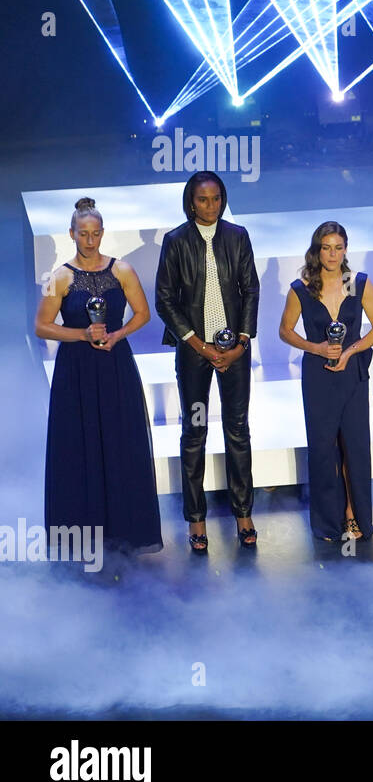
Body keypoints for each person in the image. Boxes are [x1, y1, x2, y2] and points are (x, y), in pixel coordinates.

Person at [37, 198, 162, 553]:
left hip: (114, 364)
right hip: (75, 371)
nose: (90, 241)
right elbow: (41, 326)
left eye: (95, 234)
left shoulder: (122, 270)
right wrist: (82, 335)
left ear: (102, 233)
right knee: (78, 444)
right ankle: (81, 532)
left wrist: (116, 335)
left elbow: (142, 314)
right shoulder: (58, 278)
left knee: (120, 439)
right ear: (72, 234)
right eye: (83, 235)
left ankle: (124, 529)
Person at [155, 172, 260, 552]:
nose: (210, 205)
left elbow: (251, 289)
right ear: (190, 202)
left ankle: (243, 513)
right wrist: (198, 345)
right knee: (195, 432)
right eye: (202, 199)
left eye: (216, 198)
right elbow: (164, 299)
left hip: (234, 351)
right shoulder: (176, 241)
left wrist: (241, 343)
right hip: (195, 353)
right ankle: (196, 519)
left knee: (237, 430)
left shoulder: (237, 236)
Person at [279, 222, 373, 541]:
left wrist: (350, 352)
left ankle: (354, 516)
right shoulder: (302, 288)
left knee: (354, 446)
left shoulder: (358, 284)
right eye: (327, 247)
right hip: (318, 376)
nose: (333, 254)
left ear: (346, 250)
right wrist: (317, 348)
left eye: (339, 247)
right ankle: (328, 521)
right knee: (323, 450)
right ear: (317, 250)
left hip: (352, 375)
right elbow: (285, 330)